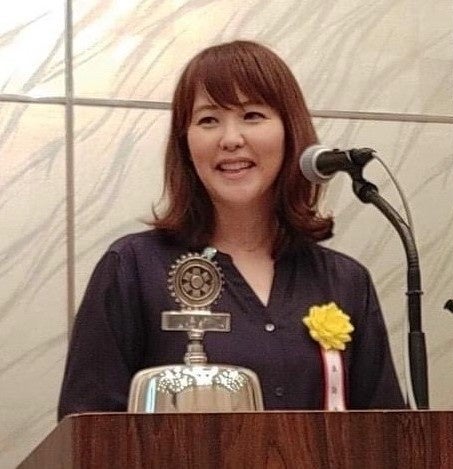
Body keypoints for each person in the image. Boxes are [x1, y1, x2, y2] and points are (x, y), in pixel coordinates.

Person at [58, 40, 404, 420]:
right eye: (208, 120)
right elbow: (86, 436)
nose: (231, 139)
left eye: (252, 115)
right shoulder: (132, 269)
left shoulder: (345, 281)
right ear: (185, 143)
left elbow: (386, 436)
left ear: (290, 132)